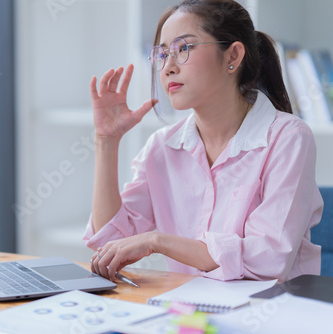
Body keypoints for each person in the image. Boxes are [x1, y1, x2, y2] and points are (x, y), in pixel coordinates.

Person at [83, 0, 322, 282]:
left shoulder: (287, 137)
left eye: (183, 48)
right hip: (193, 316)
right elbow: (109, 245)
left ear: (232, 56)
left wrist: (157, 241)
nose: (168, 67)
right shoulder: (162, 148)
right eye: (161, 54)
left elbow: (268, 259)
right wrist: (106, 141)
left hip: (270, 315)